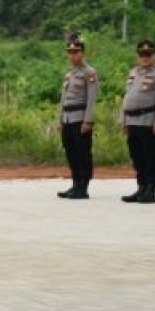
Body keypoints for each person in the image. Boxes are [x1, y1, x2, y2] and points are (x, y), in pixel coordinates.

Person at [119, 39, 155, 204]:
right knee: (137, 156)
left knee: (151, 157)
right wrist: (123, 119)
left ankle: (150, 189)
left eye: (148, 54)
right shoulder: (134, 72)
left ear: (154, 55)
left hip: (148, 121)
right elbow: (127, 96)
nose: (145, 57)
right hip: (132, 120)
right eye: (142, 54)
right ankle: (141, 187)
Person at [57, 34, 97, 199]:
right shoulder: (69, 74)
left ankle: (83, 186)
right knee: (71, 153)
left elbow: (91, 99)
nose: (73, 55)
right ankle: (75, 183)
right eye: (70, 52)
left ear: (83, 53)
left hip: (80, 119)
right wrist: (60, 120)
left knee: (82, 153)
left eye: (76, 52)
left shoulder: (89, 73)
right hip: (68, 118)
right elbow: (63, 99)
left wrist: (88, 120)